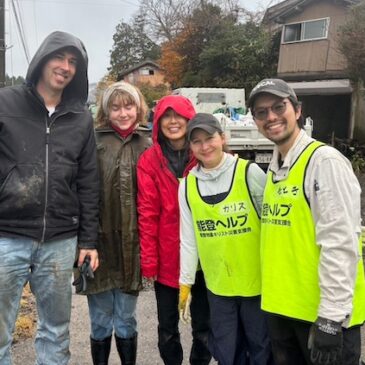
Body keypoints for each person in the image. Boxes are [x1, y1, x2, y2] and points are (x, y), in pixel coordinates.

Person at [247, 78, 365, 365]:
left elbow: (339, 243)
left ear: (297, 110)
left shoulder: (324, 162)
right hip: (285, 312)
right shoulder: (276, 170)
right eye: (261, 112)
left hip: (322, 319)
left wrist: (331, 317)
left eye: (278, 107)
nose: (271, 117)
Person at [0, 31, 99, 365]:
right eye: (60, 57)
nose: (65, 66)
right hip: (6, 236)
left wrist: (88, 240)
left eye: (74, 62)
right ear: (43, 59)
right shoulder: (5, 103)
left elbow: (88, 180)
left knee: (56, 331)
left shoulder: (81, 118)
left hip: (59, 240)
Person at [178, 113, 273, 365]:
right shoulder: (187, 186)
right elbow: (188, 239)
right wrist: (186, 283)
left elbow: (272, 226)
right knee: (227, 352)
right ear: (190, 147)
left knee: (260, 348)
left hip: (257, 285)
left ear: (222, 138)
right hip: (218, 288)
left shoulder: (249, 173)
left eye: (209, 138)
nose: (204, 146)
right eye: (196, 142)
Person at [137, 95, 212, 365]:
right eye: (165, 116)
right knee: (167, 328)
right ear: (157, 122)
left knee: (204, 326)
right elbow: (147, 212)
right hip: (168, 255)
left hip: (205, 256)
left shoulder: (205, 155)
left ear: (189, 119)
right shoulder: (149, 160)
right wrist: (149, 260)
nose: (173, 121)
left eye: (178, 115)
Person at [82, 81, 150, 365]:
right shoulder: (92, 141)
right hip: (97, 242)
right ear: (105, 110)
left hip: (132, 245)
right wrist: (84, 240)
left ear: (139, 108)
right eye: (115, 107)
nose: (123, 113)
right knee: (99, 320)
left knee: (125, 318)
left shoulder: (148, 142)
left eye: (129, 106)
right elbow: (81, 190)